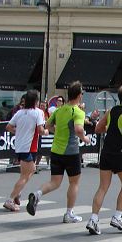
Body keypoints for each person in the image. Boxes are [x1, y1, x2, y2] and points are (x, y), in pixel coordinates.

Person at [26, 81, 92, 223]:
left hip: (56, 150)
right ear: (79, 95)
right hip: (71, 152)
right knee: (74, 183)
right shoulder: (78, 112)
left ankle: (37, 194)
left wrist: (58, 131)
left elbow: (47, 125)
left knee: (55, 182)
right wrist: (85, 138)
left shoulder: (59, 110)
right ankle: (69, 213)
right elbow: (79, 129)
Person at [86, 85, 122, 235]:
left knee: (103, 187)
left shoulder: (111, 110)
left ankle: (93, 219)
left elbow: (98, 128)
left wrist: (111, 129)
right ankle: (117, 216)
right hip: (121, 152)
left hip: (107, 151)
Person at [3, 90, 47, 212]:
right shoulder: (38, 112)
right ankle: (11, 199)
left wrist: (18, 132)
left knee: (28, 172)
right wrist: (46, 132)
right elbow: (40, 130)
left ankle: (17, 192)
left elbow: (8, 126)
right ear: (35, 101)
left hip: (21, 146)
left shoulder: (20, 112)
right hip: (29, 146)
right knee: (27, 174)